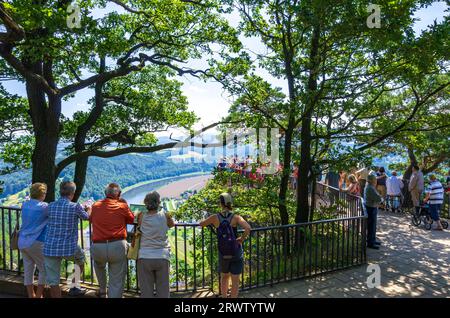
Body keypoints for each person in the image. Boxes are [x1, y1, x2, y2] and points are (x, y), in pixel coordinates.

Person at [43, 181, 91, 298]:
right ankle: (74, 286)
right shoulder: (75, 206)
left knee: (54, 282)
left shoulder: (51, 206)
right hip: (68, 248)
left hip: (50, 247)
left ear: (60, 192)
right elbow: (86, 217)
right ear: (73, 193)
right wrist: (89, 209)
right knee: (80, 259)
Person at [199, 193, 251, 298]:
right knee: (235, 280)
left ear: (221, 204)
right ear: (230, 203)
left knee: (224, 277)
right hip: (235, 251)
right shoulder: (236, 217)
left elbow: (202, 224)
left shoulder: (215, 217)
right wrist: (241, 239)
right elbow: (248, 228)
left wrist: (207, 222)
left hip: (223, 252)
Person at [90, 183, 135, 298]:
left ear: (105, 194)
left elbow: (90, 218)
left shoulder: (95, 206)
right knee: (116, 281)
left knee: (99, 266)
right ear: (119, 194)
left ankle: (102, 290)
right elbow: (131, 219)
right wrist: (124, 203)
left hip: (98, 246)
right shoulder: (122, 206)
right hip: (117, 246)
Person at [137, 191, 175, 298]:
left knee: (146, 291)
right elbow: (172, 225)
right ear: (158, 203)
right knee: (163, 291)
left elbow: (139, 228)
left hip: (144, 256)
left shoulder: (141, 216)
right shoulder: (165, 215)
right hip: (162, 256)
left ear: (146, 203)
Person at [18, 183, 48, 298]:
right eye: (44, 193)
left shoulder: (24, 204)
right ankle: (39, 295)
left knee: (28, 270)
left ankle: (31, 295)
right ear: (42, 194)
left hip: (22, 241)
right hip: (36, 241)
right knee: (44, 268)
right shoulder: (44, 207)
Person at [364, 175, 382, 249]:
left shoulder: (370, 187)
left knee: (373, 226)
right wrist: (380, 198)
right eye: (375, 179)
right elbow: (377, 198)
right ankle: (370, 243)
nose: (376, 180)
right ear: (372, 180)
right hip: (371, 208)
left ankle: (373, 240)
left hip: (372, 207)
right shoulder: (370, 188)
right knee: (371, 226)